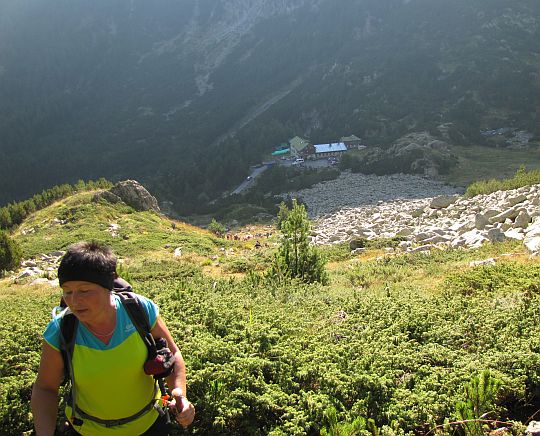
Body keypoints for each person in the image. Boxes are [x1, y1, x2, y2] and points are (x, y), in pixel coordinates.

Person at [31, 241, 195, 435]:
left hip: (149, 425)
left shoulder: (140, 311)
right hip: (87, 430)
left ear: (108, 285)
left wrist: (180, 394)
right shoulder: (61, 329)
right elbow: (45, 388)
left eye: (84, 290)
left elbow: (172, 354)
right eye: (67, 291)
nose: (74, 301)